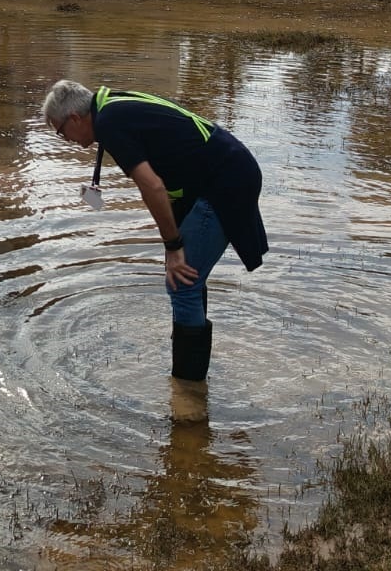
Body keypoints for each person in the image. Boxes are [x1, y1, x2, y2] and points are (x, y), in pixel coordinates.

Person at [42, 79, 267, 422]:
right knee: (186, 276)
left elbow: (153, 186)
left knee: (183, 282)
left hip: (224, 182)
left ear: (74, 118)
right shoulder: (110, 107)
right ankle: (191, 378)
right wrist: (173, 247)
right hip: (221, 172)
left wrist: (174, 246)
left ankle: (189, 399)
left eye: (61, 132)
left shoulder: (111, 122)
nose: (66, 140)